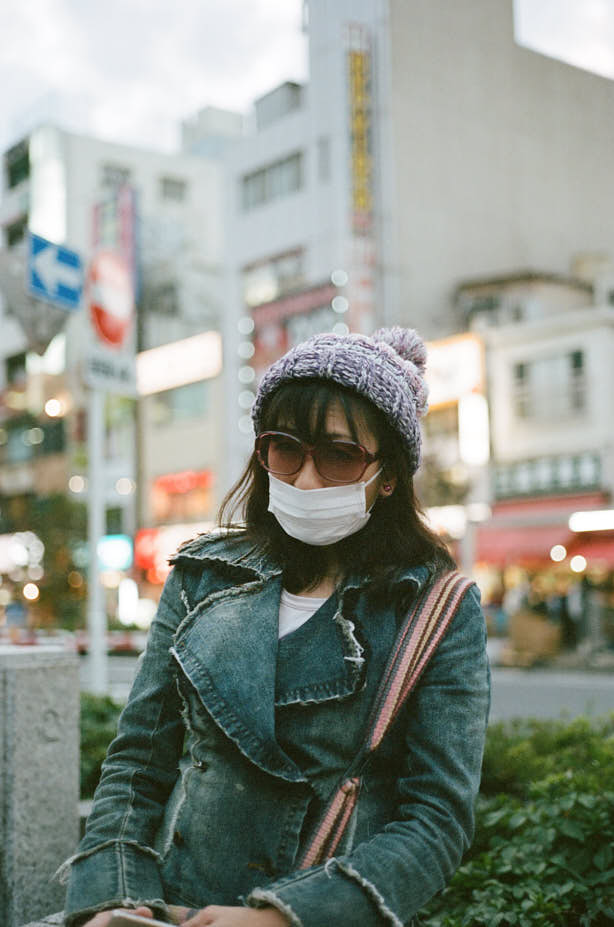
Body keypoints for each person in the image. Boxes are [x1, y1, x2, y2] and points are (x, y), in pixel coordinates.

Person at [62, 327, 490, 927]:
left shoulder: (435, 608)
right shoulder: (204, 575)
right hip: (173, 907)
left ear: (388, 474)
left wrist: (282, 918)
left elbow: (435, 821)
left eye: (339, 456)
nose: (305, 479)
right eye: (286, 449)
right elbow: (138, 762)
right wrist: (114, 900)